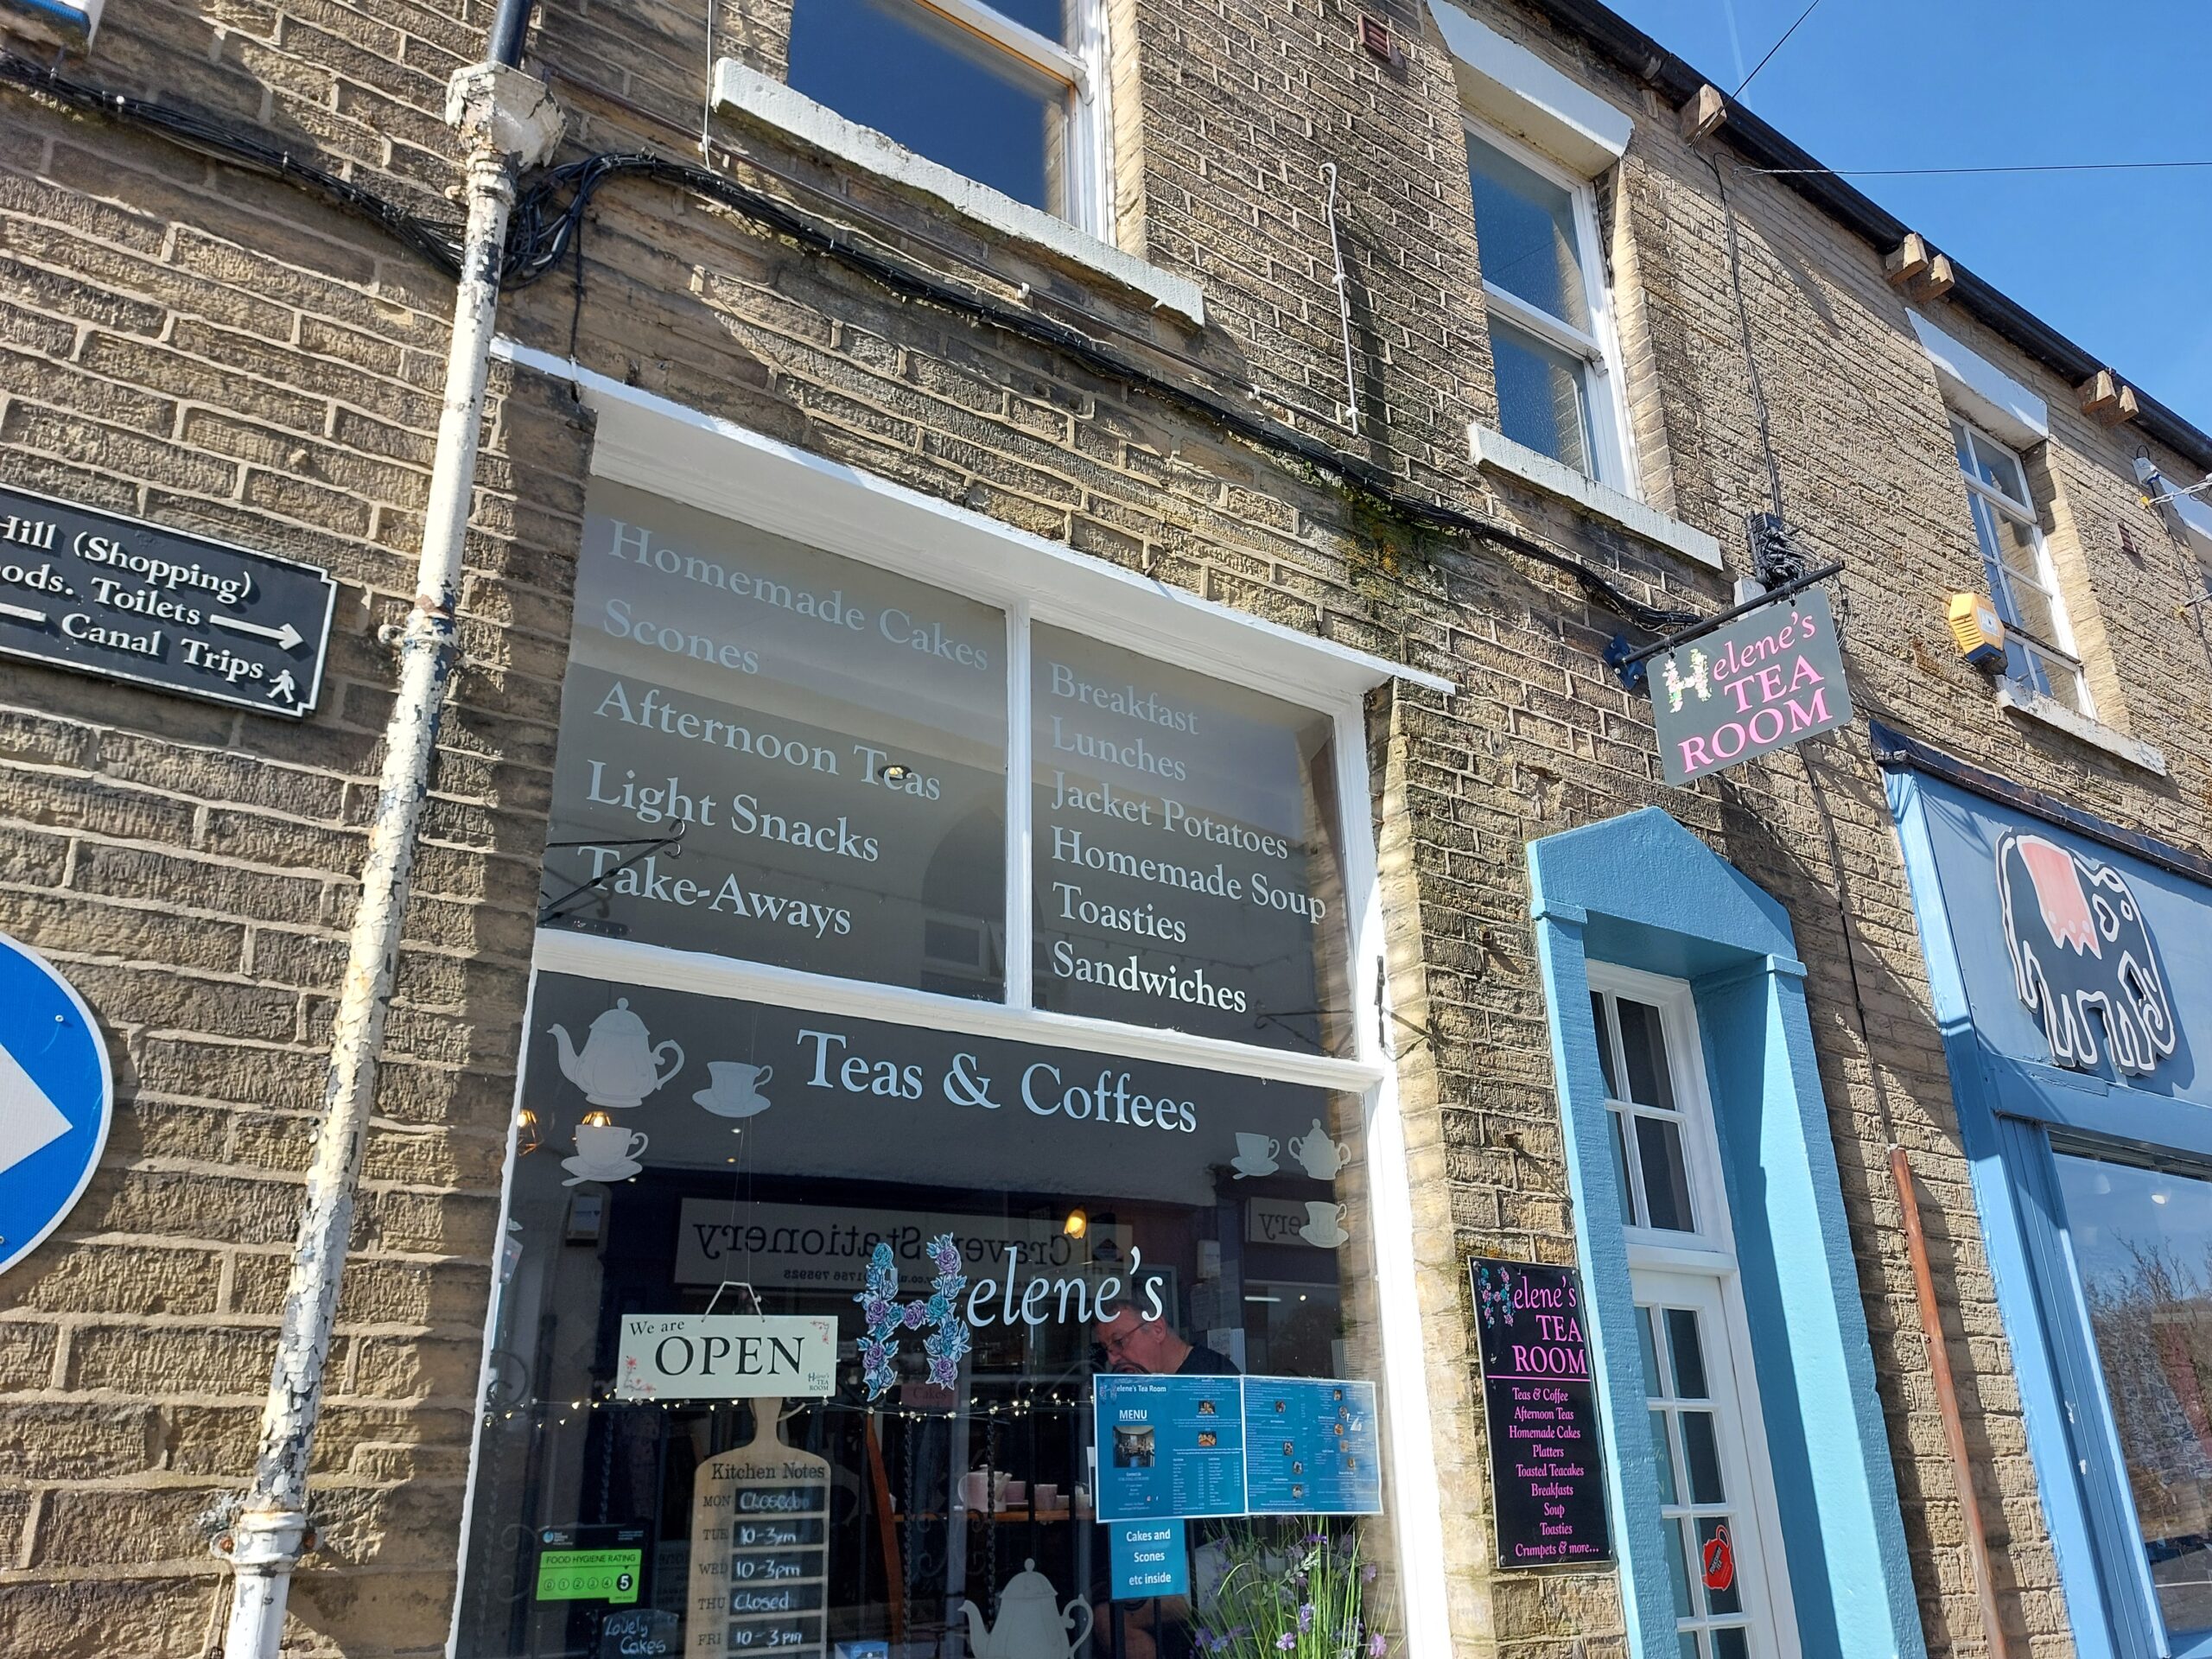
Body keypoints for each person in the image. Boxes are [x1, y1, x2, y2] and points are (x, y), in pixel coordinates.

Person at [1093, 1307, 1239, 1376]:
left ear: (1158, 1329)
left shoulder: (1216, 1377)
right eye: (1106, 1348)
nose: (1112, 1359)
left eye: (1119, 1342)